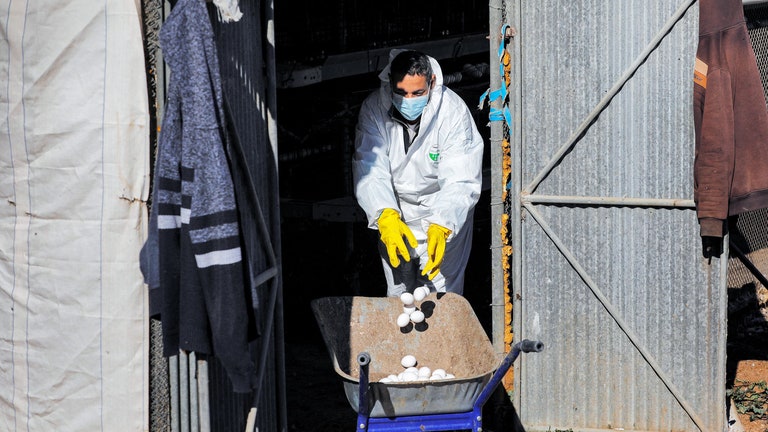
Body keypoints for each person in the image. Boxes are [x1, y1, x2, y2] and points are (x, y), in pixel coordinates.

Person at [352, 49, 484, 297]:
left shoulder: (452, 113)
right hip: (396, 214)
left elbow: (461, 179)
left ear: (432, 83)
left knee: (439, 299)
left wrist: (442, 224)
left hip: (441, 214)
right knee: (400, 297)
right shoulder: (374, 110)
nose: (408, 100)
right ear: (390, 82)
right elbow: (369, 167)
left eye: (418, 93)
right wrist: (385, 215)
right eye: (401, 93)